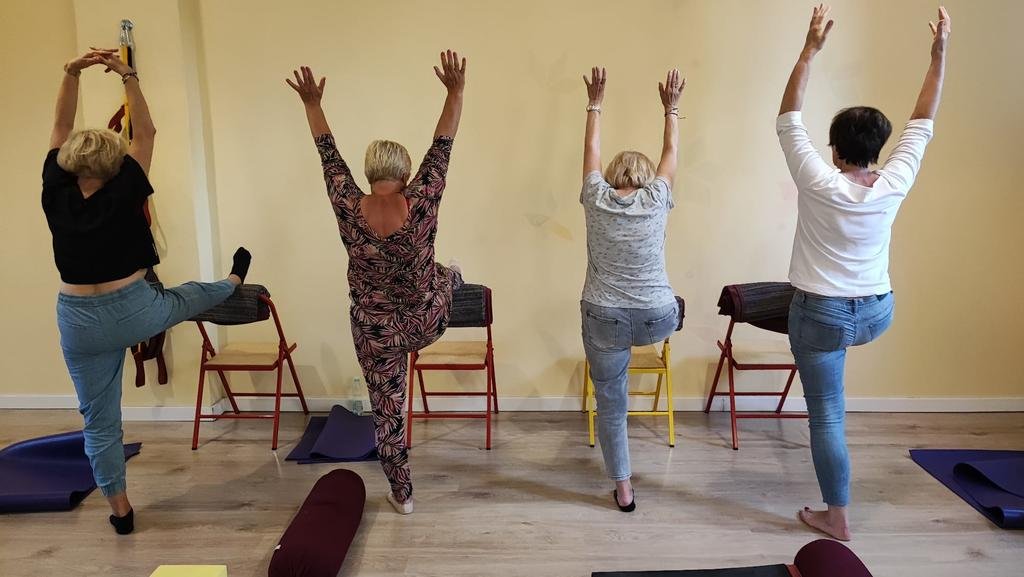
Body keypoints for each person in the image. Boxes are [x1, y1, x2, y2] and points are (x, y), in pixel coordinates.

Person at [44, 49, 251, 535]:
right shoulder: (126, 184)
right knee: (188, 298)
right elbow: (148, 133)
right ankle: (234, 282)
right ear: (114, 163)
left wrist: (70, 71)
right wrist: (128, 75)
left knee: (99, 421)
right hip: (132, 308)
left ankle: (121, 511)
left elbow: (59, 125)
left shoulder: (55, 188)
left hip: (76, 318)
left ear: (69, 162)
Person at [777, 5, 950, 540]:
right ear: (878, 148)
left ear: (834, 150)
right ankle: (836, 510)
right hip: (876, 312)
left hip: (822, 315)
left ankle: (837, 516)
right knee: (832, 384)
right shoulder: (895, 180)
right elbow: (922, 120)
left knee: (828, 414)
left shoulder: (819, 180)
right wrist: (939, 56)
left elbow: (788, 118)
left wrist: (809, 50)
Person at [286, 50, 467, 515]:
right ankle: (453, 276)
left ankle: (402, 496)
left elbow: (327, 154)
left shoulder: (347, 203)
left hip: (375, 331)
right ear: (406, 175)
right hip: (425, 319)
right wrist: (455, 91)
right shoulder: (422, 198)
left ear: (368, 175)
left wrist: (312, 104)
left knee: (388, 413)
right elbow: (443, 143)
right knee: (446, 275)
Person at [579, 66, 684, 512]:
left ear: (612, 174)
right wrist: (671, 108)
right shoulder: (657, 197)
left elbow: (591, 150)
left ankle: (623, 489)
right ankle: (672, 316)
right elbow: (671, 151)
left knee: (611, 402)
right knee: (672, 307)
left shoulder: (596, 196)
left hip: (605, 316)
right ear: (645, 176)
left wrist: (595, 103)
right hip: (657, 318)